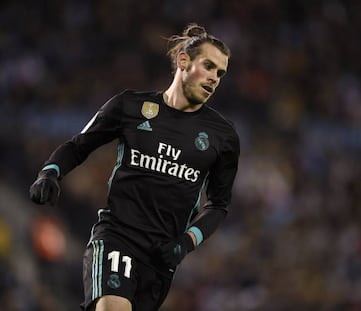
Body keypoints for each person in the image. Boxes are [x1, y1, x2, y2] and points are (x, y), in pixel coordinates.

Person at [29, 23, 240, 311]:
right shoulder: (130, 106)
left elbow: (218, 206)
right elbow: (78, 146)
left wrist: (185, 243)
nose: (215, 78)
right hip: (118, 237)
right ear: (183, 61)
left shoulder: (223, 136)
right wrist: (50, 173)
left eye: (220, 73)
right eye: (209, 66)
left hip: (161, 259)